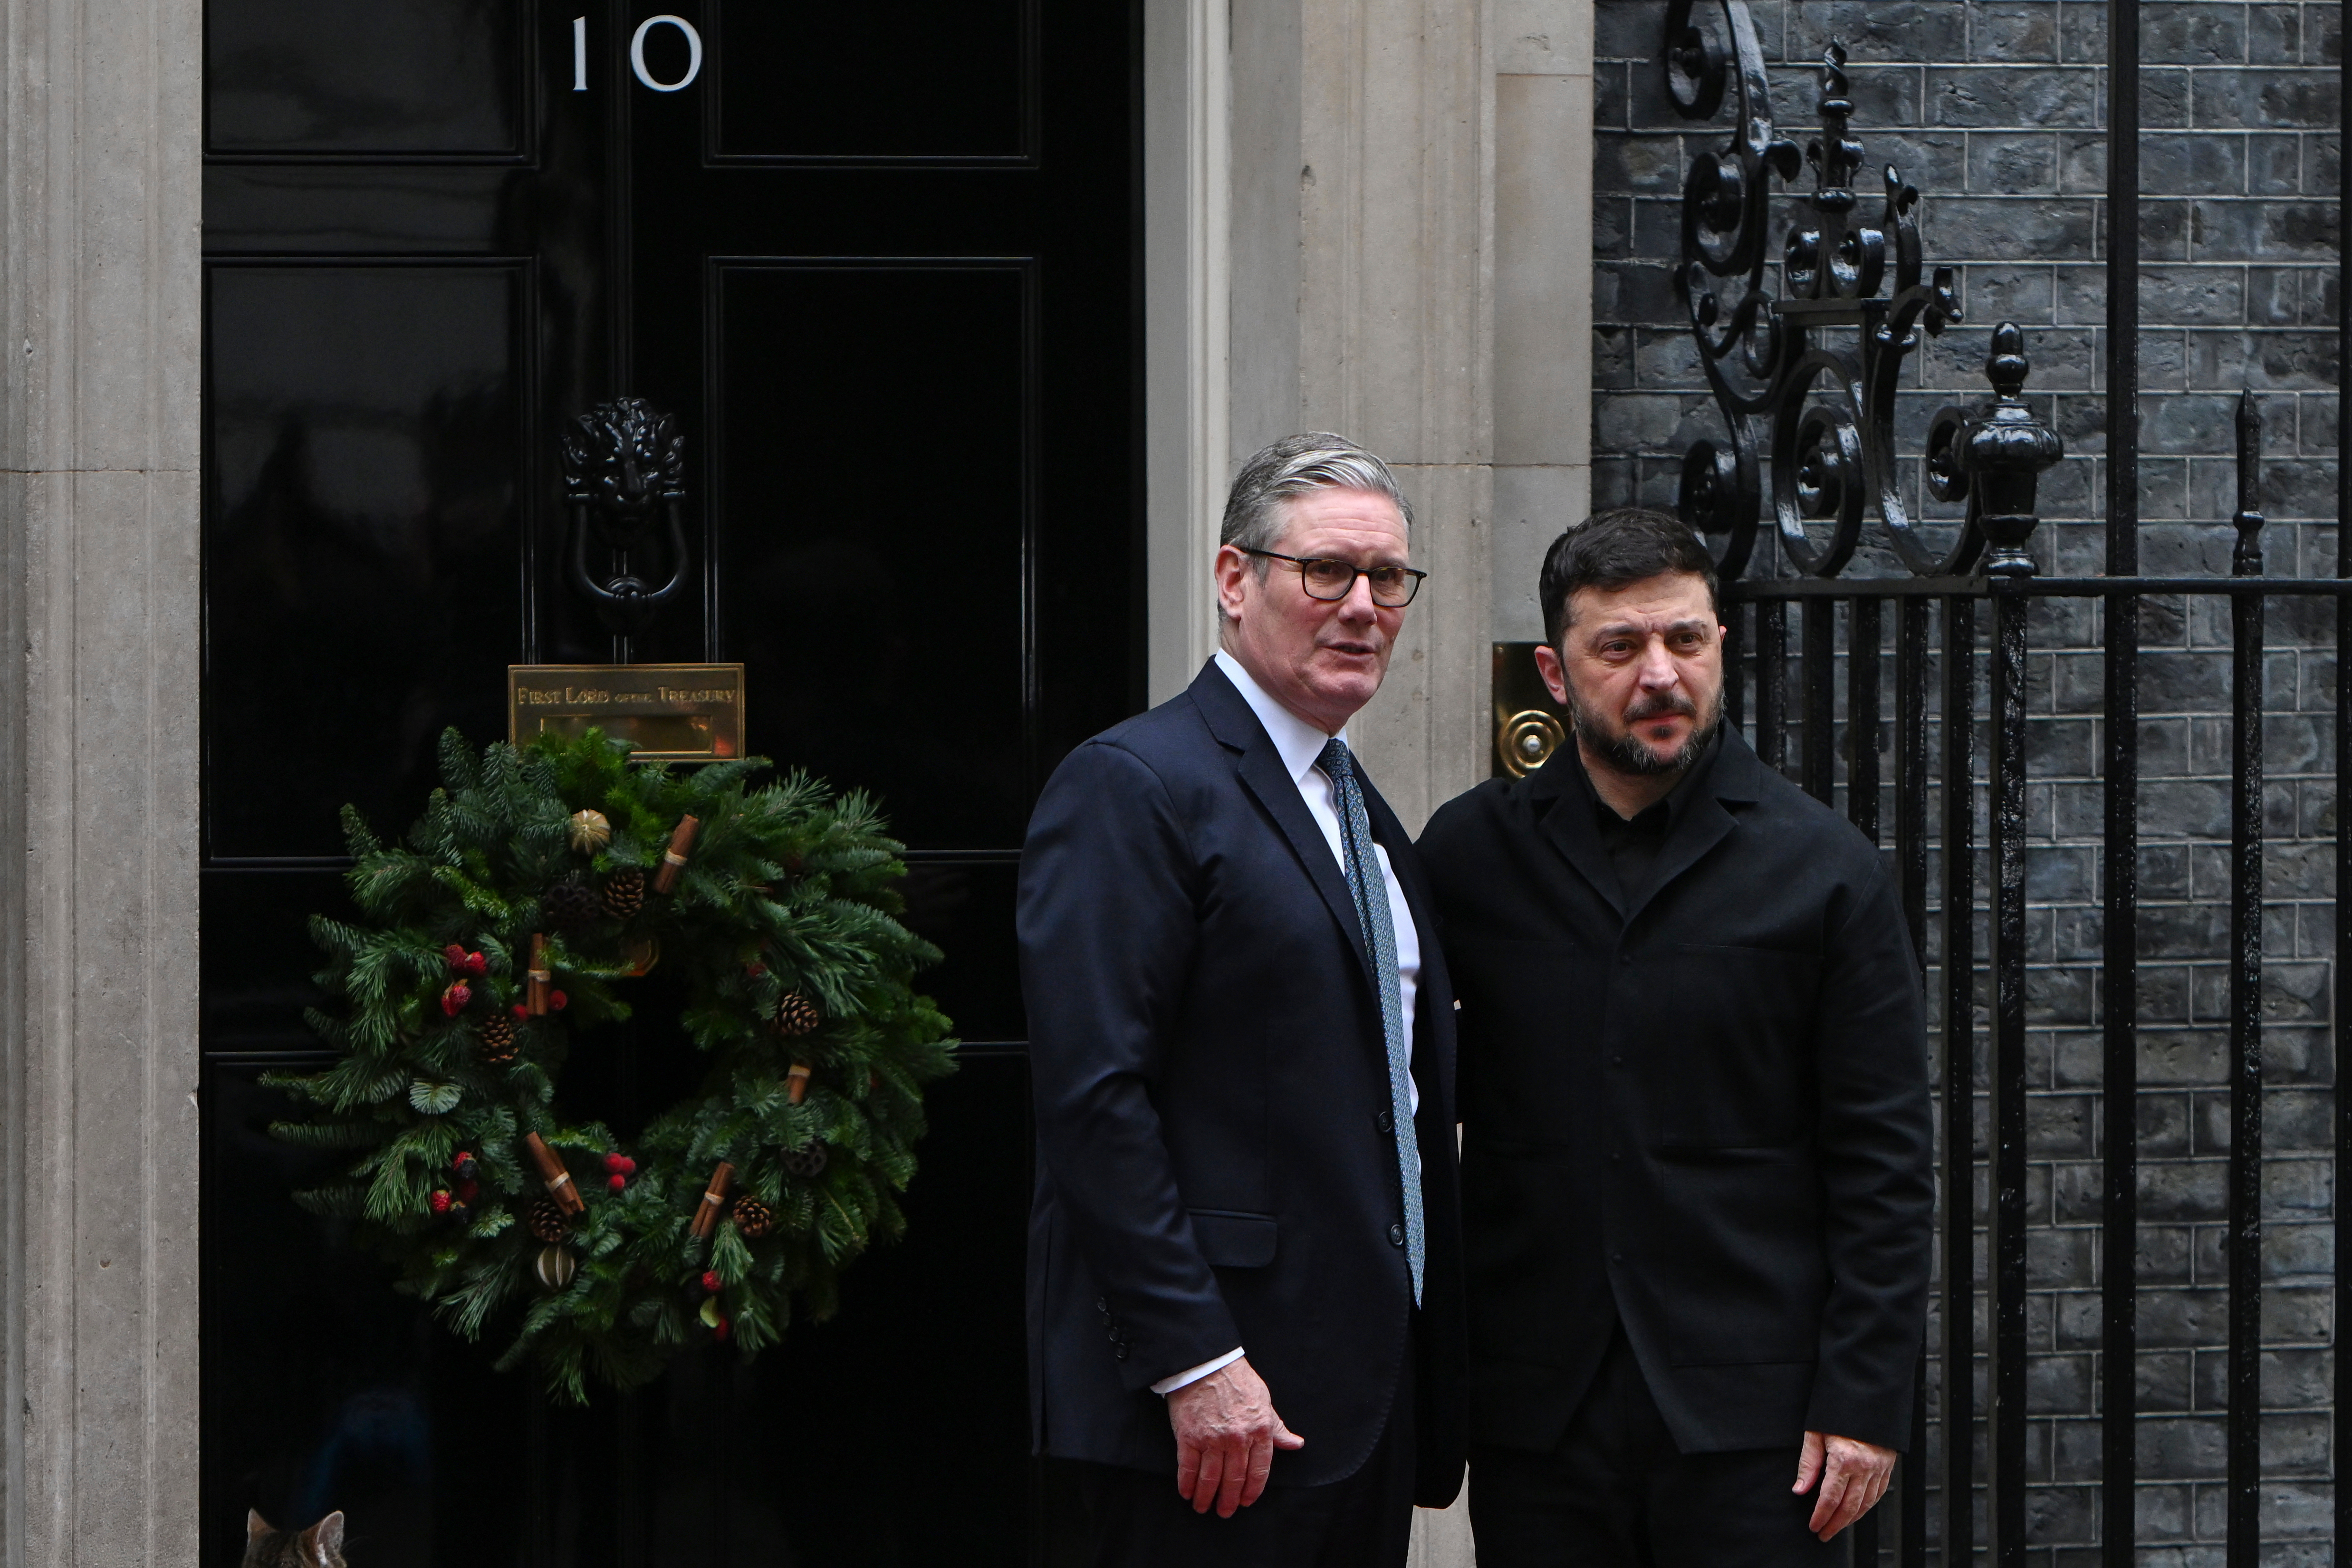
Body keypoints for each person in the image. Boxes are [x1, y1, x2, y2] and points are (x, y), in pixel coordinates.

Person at [1417, 506, 1932, 1564]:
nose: (1661, 674)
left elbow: (1884, 1160)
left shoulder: (1826, 868)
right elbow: (1403, 1099)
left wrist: (1865, 1399)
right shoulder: (1466, 856)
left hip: (1759, 1425)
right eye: (1619, 647)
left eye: (1685, 639)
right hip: (1536, 1414)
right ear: (1555, 675)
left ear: (1719, 646)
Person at [1019, 433, 1467, 1566]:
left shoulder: (1359, 810)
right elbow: (1094, 1097)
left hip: (1356, 1407)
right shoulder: (1134, 785)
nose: (1362, 606)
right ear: (1234, 579)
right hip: (1211, 1418)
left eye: (1387, 579)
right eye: (1327, 571)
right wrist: (1195, 1360)